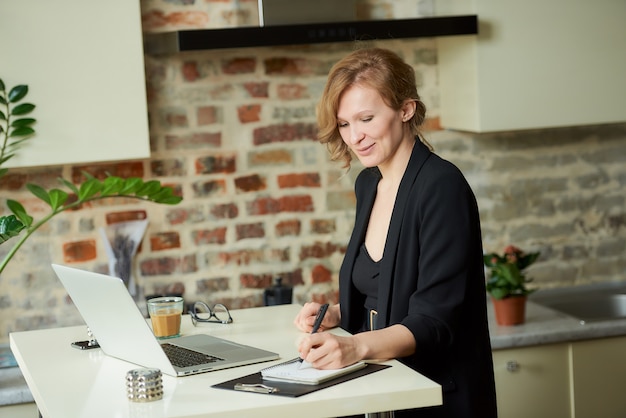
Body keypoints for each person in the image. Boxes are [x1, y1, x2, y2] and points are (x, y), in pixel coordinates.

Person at [293, 47, 497, 417]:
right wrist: (338, 314)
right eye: (344, 124)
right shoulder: (369, 184)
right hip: (383, 390)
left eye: (366, 118)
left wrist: (354, 348)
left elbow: (434, 320)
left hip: (433, 396)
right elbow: (387, 290)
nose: (355, 137)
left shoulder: (441, 186)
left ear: (406, 110)